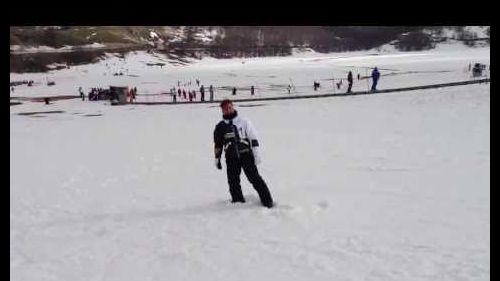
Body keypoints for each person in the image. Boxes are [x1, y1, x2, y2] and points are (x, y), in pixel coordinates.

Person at [213, 99, 274, 208]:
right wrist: (217, 158)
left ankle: (267, 201)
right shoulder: (220, 127)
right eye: (225, 109)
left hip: (246, 155)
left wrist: (256, 154)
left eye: (229, 107)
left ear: (233, 107)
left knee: (254, 178)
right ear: (222, 111)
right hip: (231, 158)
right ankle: (237, 202)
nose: (228, 110)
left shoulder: (244, 121)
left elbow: (253, 138)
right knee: (233, 181)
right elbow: (218, 144)